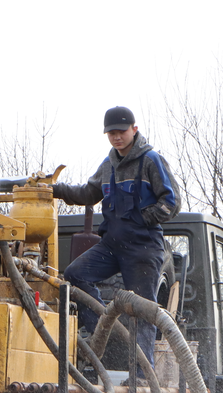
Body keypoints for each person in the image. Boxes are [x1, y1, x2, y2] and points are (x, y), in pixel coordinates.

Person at [51, 106, 181, 378]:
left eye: (120, 132)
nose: (116, 137)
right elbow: (88, 193)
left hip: (143, 247)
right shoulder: (108, 164)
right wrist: (54, 190)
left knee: (142, 310)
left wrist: (143, 219)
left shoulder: (151, 160)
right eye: (111, 133)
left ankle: (143, 377)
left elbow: (172, 202)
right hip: (112, 246)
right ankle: (105, 326)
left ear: (134, 129)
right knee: (75, 274)